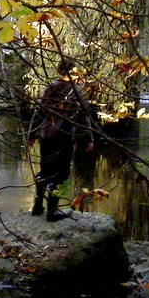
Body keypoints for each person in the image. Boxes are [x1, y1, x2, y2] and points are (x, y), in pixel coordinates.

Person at [28, 56, 95, 221]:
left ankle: (37, 206)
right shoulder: (78, 90)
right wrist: (88, 138)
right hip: (64, 136)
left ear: (58, 70)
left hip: (46, 135)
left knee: (45, 170)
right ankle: (52, 210)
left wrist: (32, 133)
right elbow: (83, 116)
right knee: (61, 174)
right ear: (75, 72)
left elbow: (40, 112)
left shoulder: (50, 87)